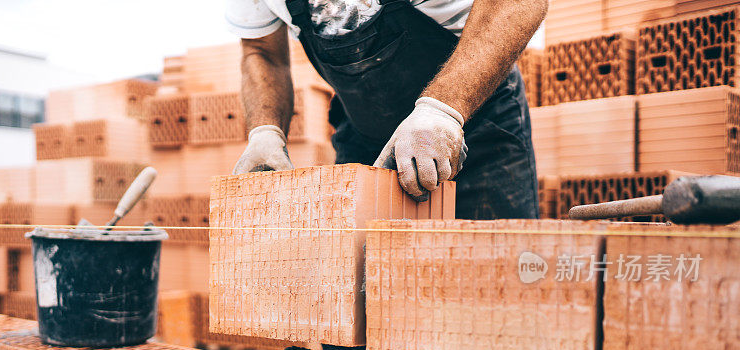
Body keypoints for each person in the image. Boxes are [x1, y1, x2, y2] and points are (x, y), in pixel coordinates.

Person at [226, 0, 547, 219]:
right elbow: (261, 51)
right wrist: (265, 132)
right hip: (366, 139)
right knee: (369, 296)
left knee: (493, 287)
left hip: (475, 127)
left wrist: (442, 111)